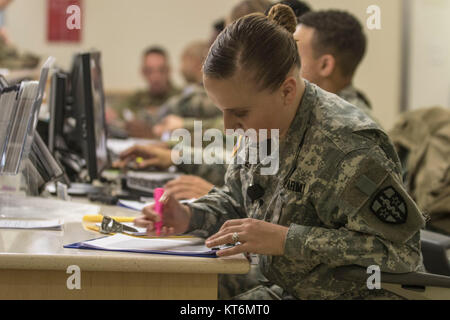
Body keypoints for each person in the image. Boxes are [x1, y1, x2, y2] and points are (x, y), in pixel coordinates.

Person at [134, 4, 426, 300]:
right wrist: (189, 215)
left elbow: (401, 253)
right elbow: (239, 200)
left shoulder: (348, 148)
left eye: (240, 112)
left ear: (286, 91)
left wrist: (287, 239)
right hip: (291, 290)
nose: (229, 126)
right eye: (222, 111)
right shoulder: (263, 123)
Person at [294, 10, 375, 118]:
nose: (285, 64)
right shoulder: (312, 111)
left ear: (325, 65)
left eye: (294, 57)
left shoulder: (351, 127)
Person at [153, 40, 222, 137]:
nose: (180, 68)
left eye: (183, 61)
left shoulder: (211, 94)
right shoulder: (193, 90)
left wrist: (183, 124)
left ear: (196, 63)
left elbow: (217, 123)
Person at [113, 46, 180, 137]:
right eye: (150, 71)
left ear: (169, 70)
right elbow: (116, 115)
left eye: (161, 70)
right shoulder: (137, 98)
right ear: (142, 72)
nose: (156, 77)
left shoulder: (181, 97)